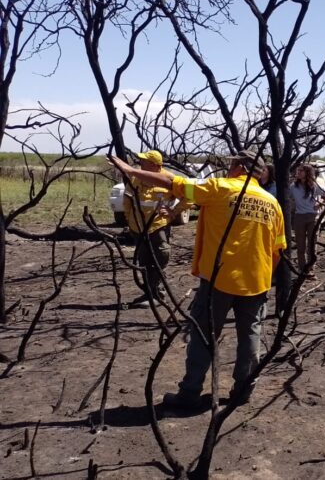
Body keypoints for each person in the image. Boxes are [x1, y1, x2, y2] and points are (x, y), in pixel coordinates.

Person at [108, 150, 286, 409]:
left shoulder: (219, 188)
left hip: (218, 280)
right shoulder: (272, 203)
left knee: (203, 334)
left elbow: (174, 184)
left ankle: (190, 393)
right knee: (250, 336)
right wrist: (262, 276)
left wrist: (132, 171)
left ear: (237, 166)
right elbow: (278, 251)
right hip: (256, 282)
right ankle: (243, 391)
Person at [122, 150, 183, 302]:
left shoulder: (171, 179)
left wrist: (174, 212)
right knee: (144, 261)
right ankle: (148, 293)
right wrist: (129, 221)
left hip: (158, 227)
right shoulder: (136, 178)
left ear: (154, 165)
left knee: (160, 258)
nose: (140, 163)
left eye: (144, 161)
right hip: (138, 228)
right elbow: (127, 200)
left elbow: (190, 197)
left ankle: (157, 293)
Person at [289, 163, 325, 276]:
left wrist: (321, 205)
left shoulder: (314, 186)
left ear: (307, 173)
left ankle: (310, 268)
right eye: (298, 171)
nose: (298, 173)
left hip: (313, 217)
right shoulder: (293, 187)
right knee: (300, 245)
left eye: (301, 171)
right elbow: (288, 197)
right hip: (299, 217)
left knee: (312, 244)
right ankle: (302, 269)